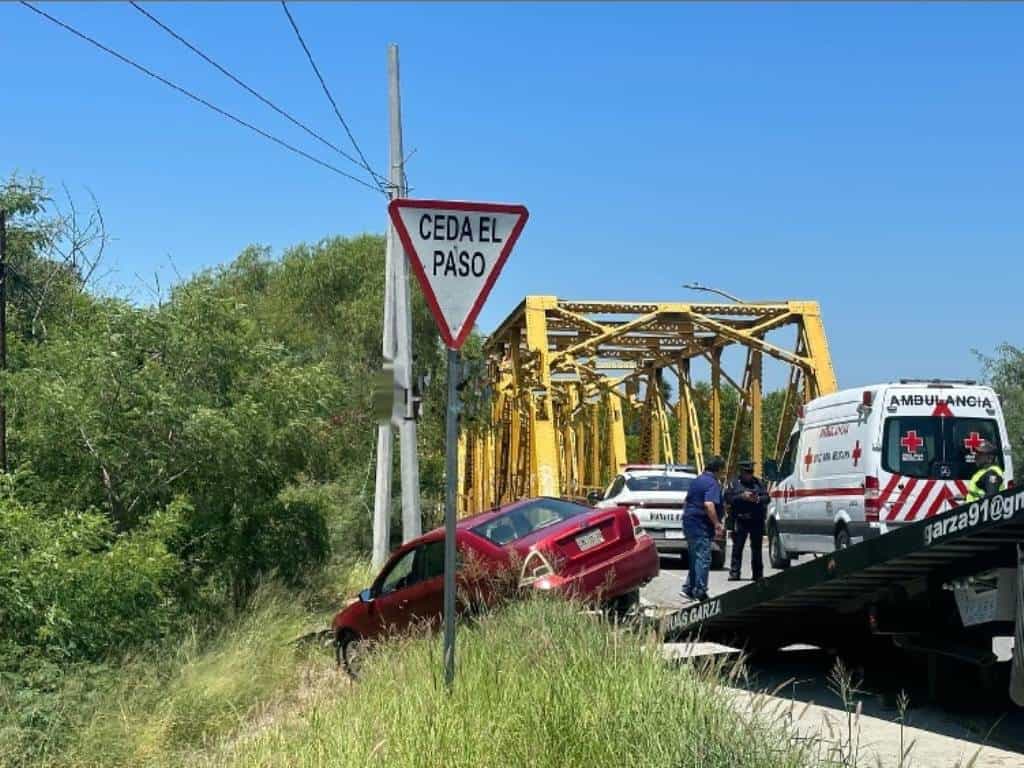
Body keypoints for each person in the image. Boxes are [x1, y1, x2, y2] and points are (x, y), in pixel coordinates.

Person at [681, 455, 726, 602]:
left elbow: (686, 502)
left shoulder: (697, 480)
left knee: (696, 557)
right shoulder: (712, 483)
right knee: (704, 558)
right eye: (722, 470)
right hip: (701, 525)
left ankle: (689, 588)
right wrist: (717, 524)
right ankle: (700, 591)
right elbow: (709, 504)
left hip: (689, 522)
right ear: (718, 470)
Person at [725, 460, 770, 581]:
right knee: (737, 547)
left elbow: (767, 497)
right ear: (742, 472)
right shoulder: (734, 483)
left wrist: (757, 499)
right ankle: (734, 572)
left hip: (756, 520)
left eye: (751, 472)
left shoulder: (758, 483)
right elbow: (728, 498)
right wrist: (741, 497)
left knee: (756, 548)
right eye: (747, 472)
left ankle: (758, 573)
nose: (749, 475)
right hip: (740, 519)